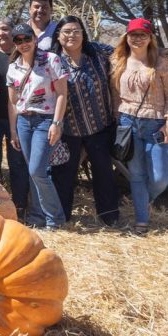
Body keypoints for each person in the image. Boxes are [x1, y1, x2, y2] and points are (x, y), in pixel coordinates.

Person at [111, 18, 168, 234]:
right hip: (127, 123)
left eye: (143, 34)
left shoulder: (161, 63)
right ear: (127, 37)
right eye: (133, 34)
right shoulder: (118, 61)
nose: (137, 38)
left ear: (151, 38)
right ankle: (142, 219)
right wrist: (117, 120)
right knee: (137, 174)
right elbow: (115, 95)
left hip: (156, 123)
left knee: (160, 178)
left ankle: (144, 200)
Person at [49, 16, 119, 226]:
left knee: (104, 173)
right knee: (64, 174)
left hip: (100, 126)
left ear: (83, 33)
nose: (72, 35)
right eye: (67, 32)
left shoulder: (98, 52)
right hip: (69, 128)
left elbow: (125, 53)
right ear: (59, 37)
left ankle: (110, 217)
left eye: (76, 31)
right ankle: (62, 218)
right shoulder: (53, 61)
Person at [7, 23, 68, 230]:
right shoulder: (13, 67)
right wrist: (13, 129)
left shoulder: (51, 60)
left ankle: (55, 219)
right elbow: (13, 103)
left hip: (45, 120)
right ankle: (37, 217)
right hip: (24, 122)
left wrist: (57, 123)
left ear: (34, 38)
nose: (23, 43)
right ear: (14, 44)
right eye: (18, 40)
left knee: (37, 170)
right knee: (33, 170)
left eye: (26, 38)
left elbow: (61, 94)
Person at [0, 19, 30, 217]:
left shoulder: (22, 54)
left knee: (17, 162)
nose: (1, 33)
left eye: (5, 29)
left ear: (12, 32)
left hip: (18, 118)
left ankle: (20, 206)